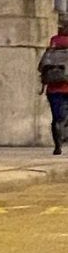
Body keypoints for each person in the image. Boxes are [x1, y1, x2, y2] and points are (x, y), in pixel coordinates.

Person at [43, 20, 68, 154]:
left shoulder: (54, 43)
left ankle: (57, 145)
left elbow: (42, 66)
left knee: (56, 118)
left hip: (53, 88)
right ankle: (64, 130)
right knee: (63, 117)